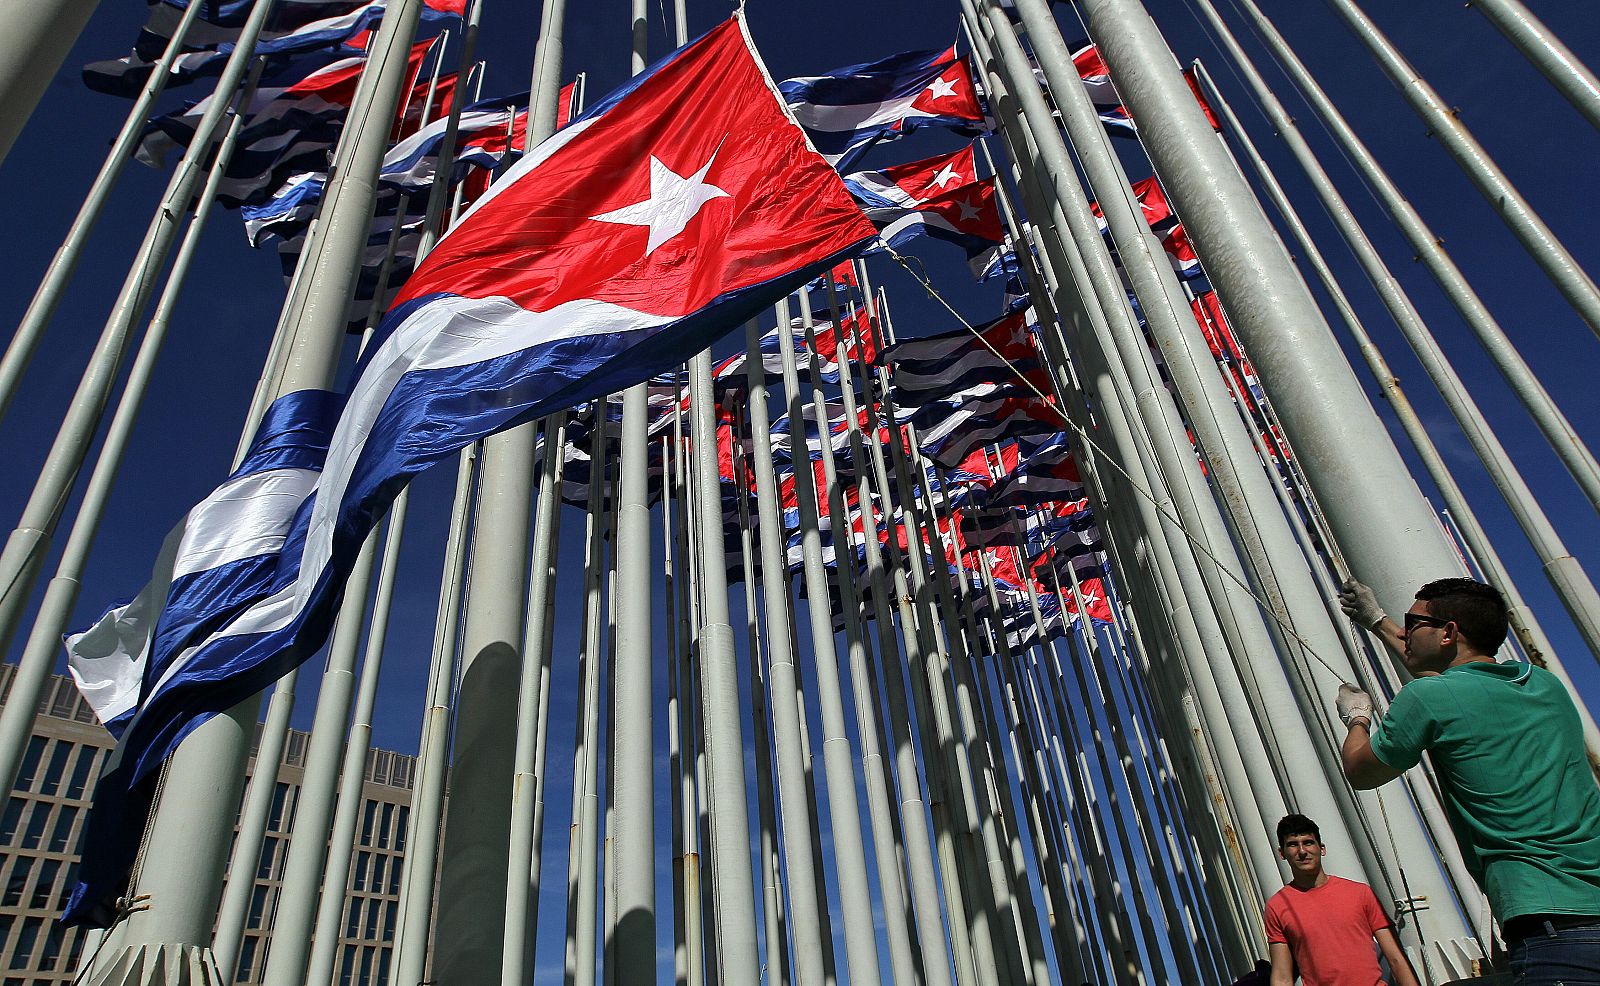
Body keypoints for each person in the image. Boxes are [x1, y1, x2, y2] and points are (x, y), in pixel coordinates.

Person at [1335, 576, 1600, 984]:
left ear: (1449, 632)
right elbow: (1449, 673)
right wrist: (1377, 621)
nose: (1404, 632)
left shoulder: (1427, 699)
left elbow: (1361, 771)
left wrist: (1357, 718)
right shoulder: (1546, 686)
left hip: (1548, 925)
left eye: (1413, 622)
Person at [1263, 813, 1419, 986]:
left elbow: (1396, 958)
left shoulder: (1360, 893)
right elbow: (1282, 977)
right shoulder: (1277, 906)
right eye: (1293, 845)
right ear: (1282, 853)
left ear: (1321, 848)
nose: (1302, 851)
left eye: (1308, 842)